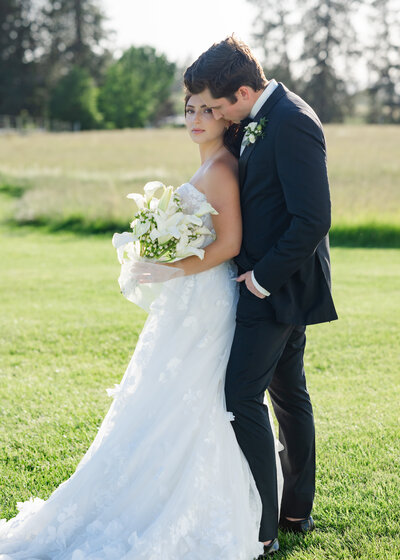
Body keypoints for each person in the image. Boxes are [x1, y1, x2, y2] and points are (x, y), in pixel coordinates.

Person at [0, 93, 282, 559]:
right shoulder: (209, 164)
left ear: (225, 117)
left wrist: (174, 268)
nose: (195, 119)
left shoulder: (223, 168)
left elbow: (230, 242)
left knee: (197, 394)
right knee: (164, 390)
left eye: (206, 111)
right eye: (190, 110)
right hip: (190, 298)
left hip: (207, 299)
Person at [184, 35, 338, 556]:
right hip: (273, 282)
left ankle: (263, 526)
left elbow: (313, 217)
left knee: (241, 395)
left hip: (274, 287)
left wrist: (261, 278)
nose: (214, 114)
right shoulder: (262, 117)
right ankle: (295, 511)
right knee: (288, 394)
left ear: (244, 91)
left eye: (217, 105)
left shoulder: (292, 121)